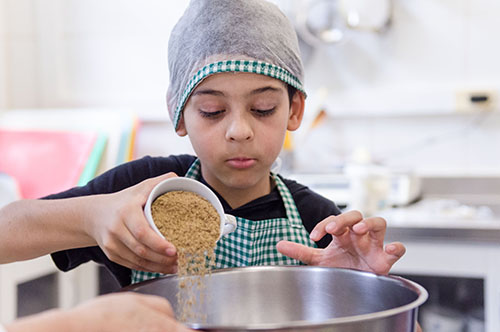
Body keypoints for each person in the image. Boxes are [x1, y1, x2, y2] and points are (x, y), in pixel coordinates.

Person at [0, 0, 409, 327]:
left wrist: (362, 289)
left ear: (294, 110)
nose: (238, 130)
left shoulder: (316, 221)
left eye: (263, 108)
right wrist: (92, 216)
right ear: (179, 113)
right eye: (212, 110)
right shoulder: (143, 193)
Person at [0, 173, 192, 332]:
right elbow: (8, 227)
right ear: (180, 125)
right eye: (211, 122)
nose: (224, 134)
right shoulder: (143, 187)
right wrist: (89, 217)